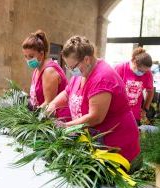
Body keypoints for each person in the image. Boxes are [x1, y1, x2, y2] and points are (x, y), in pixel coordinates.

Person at [47, 36, 140, 164]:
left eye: (72, 67)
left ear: (86, 59)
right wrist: (52, 104)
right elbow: (68, 92)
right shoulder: (83, 71)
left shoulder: (102, 78)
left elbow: (95, 117)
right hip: (96, 141)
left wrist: (65, 126)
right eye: (68, 67)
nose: (71, 71)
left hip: (115, 145)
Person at [22, 30, 71, 121]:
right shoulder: (37, 69)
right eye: (25, 56)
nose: (28, 60)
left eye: (31, 56)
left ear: (41, 54)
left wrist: (29, 117)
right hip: (44, 118)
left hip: (59, 121)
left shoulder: (49, 71)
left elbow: (49, 103)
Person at [114, 48, 154, 125]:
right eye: (141, 70)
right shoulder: (121, 68)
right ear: (134, 62)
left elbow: (150, 91)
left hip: (134, 115)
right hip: (117, 113)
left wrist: (145, 109)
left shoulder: (147, 73)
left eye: (145, 71)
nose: (143, 73)